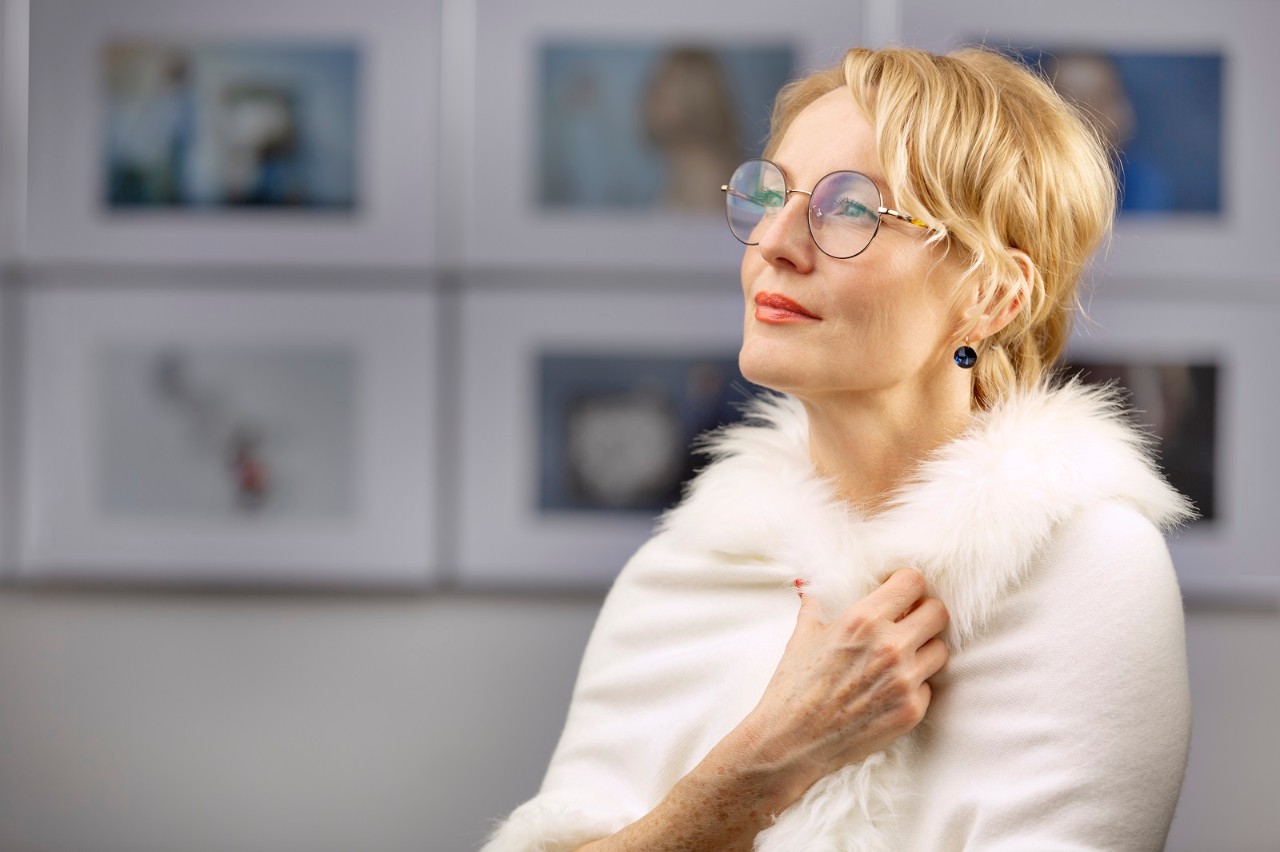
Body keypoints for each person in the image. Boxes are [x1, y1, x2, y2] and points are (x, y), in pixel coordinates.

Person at [485, 45, 1193, 850]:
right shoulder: (682, 570)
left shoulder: (1089, 569)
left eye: (850, 208)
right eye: (769, 195)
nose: (775, 244)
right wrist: (768, 761)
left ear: (993, 294)